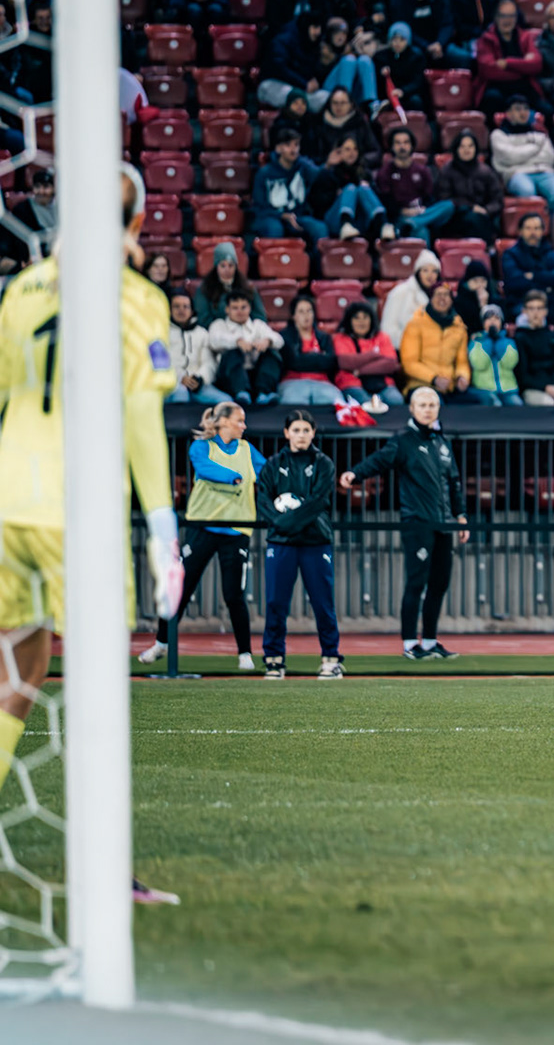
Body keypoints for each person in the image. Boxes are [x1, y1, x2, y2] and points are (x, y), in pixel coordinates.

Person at [6, 171, 184, 886]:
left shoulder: (23, 289)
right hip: (76, 509)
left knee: (18, 672)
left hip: (7, 499)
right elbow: (142, 417)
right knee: (101, 684)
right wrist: (162, 527)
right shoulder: (140, 300)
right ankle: (106, 870)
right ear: (138, 224)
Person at [342, 386, 467, 657]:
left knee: (439, 583)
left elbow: (454, 482)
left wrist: (461, 516)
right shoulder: (403, 441)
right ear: (411, 409)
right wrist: (355, 474)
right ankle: (410, 644)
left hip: (444, 524)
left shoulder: (442, 442)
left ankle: (431, 642)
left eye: (432, 404)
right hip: (417, 523)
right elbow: (378, 461)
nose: (427, 409)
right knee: (416, 583)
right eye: (422, 404)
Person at [143, 403, 262, 669]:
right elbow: (206, 469)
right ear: (222, 422)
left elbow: (267, 474)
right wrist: (234, 477)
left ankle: (245, 654)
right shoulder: (200, 447)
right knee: (180, 589)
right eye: (239, 421)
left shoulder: (247, 449)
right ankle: (162, 643)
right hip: (202, 527)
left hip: (236, 530)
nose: (244, 426)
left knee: (234, 595)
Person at [255, 410, 342, 680]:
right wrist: (281, 524)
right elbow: (262, 500)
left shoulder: (323, 463)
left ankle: (330, 659)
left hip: (315, 542)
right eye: (296, 430)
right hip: (281, 544)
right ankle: (274, 659)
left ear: (313, 433)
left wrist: (286, 522)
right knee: (275, 603)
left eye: (306, 430)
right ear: (286, 433)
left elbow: (318, 502)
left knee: (322, 602)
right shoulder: (273, 464)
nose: (301, 435)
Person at [207, 291, 286, 405]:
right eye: (235, 308)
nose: (240, 311)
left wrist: (267, 341)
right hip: (229, 378)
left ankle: (263, 393)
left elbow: (280, 340)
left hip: (254, 375)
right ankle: (241, 392)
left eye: (243, 307)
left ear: (249, 308)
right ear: (227, 309)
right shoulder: (219, 325)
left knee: (272, 353)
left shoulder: (257, 325)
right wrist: (237, 341)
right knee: (232, 353)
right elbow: (214, 341)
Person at [401, 281, 470, 400]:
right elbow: (409, 363)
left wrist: (462, 377)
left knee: (483, 401)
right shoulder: (415, 324)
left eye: (446, 295)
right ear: (431, 299)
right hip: (421, 385)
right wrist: (434, 378)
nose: (442, 298)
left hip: (449, 386)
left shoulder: (459, 327)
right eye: (438, 294)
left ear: (451, 299)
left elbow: (462, 362)